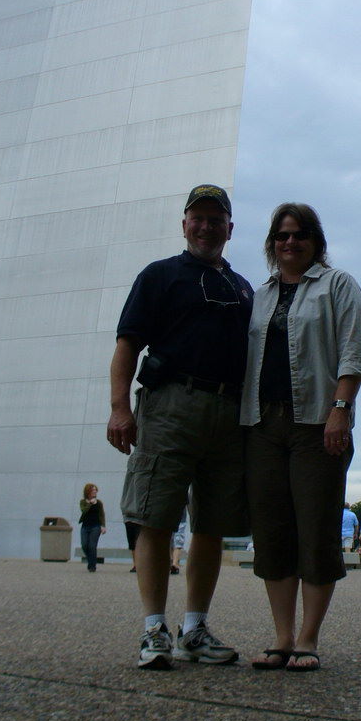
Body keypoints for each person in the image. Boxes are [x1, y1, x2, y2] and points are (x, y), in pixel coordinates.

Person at [107, 184, 253, 670]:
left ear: (230, 229)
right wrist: (119, 408)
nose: (207, 226)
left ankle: (194, 628)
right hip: (170, 406)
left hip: (228, 414)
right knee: (155, 516)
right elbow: (128, 342)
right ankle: (153, 629)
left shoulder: (244, 288)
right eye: (199, 217)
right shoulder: (160, 276)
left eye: (217, 219)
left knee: (210, 525)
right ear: (184, 223)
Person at [241, 202, 361, 671]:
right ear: (272, 244)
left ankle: (308, 638)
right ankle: (281, 636)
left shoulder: (338, 285)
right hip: (263, 426)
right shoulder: (260, 295)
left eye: (299, 235)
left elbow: (354, 352)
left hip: (318, 423)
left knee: (315, 530)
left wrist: (340, 410)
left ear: (315, 241)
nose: (289, 243)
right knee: (273, 533)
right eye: (281, 236)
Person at [79, 484, 106, 572]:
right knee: (84, 545)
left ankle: (92, 566)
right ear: (88, 491)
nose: (95, 491)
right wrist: (90, 503)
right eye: (93, 490)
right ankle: (91, 560)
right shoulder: (83, 502)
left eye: (95, 490)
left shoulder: (99, 503)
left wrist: (103, 526)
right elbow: (84, 510)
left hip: (95, 526)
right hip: (85, 526)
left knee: (92, 546)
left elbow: (102, 515)